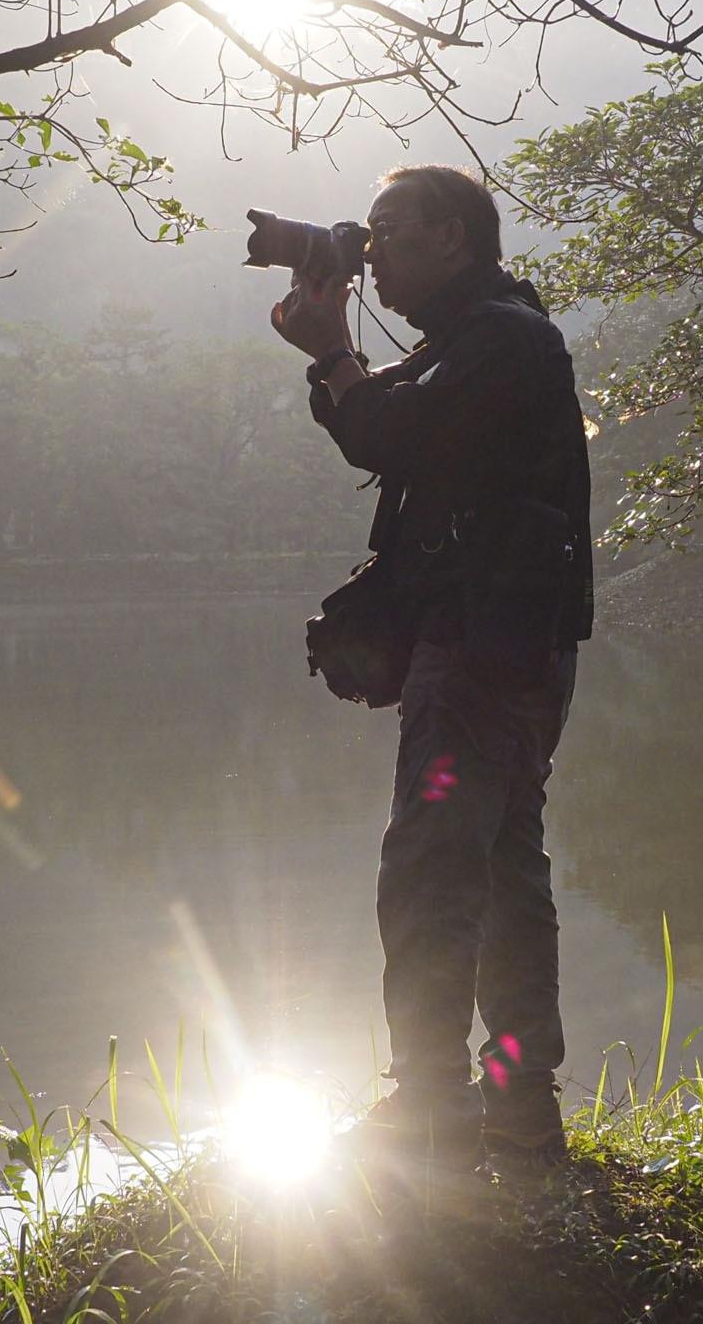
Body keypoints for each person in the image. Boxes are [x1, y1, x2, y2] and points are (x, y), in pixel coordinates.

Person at [268, 163, 594, 1171]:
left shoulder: (505, 337)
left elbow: (389, 425)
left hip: (482, 643)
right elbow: (377, 426)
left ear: (452, 234)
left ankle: (433, 1110)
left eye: (388, 232)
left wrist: (333, 351)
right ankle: (518, 1111)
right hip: (503, 639)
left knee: (429, 869)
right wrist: (335, 358)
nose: (371, 253)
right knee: (497, 868)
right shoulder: (479, 336)